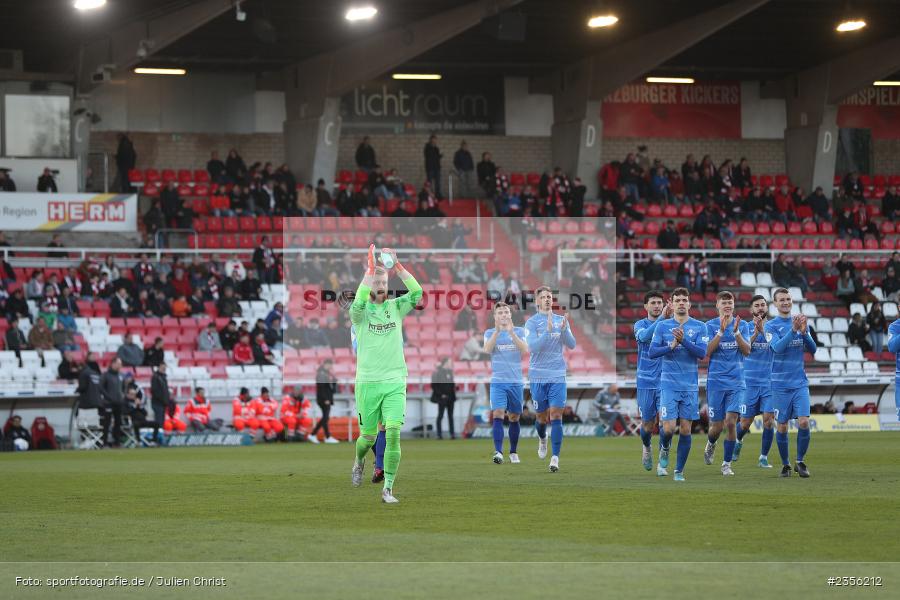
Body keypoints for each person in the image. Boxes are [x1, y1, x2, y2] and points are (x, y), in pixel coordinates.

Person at [349, 245, 423, 503]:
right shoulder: (359, 314)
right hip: (368, 383)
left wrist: (399, 266)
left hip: (394, 380)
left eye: (383, 280)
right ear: (369, 283)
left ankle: (388, 488)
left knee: (392, 432)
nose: (380, 284)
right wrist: (369, 271)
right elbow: (357, 303)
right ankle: (359, 461)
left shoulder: (396, 307)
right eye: (375, 280)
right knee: (367, 438)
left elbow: (417, 292)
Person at [647, 287, 710, 481]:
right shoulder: (662, 326)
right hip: (668, 384)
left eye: (684, 300)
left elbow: (702, 353)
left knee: (685, 429)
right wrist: (670, 346)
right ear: (672, 304)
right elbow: (651, 352)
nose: (681, 303)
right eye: (678, 300)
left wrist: (683, 342)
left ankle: (679, 471)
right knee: (667, 428)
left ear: (689, 304)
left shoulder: (700, 327)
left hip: (689, 386)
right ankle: (665, 448)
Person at [525, 286, 577, 473]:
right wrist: (547, 332)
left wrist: (564, 331)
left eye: (549, 296)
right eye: (544, 297)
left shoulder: (561, 320)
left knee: (556, 415)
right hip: (538, 375)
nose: (547, 299)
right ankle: (542, 438)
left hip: (557, 375)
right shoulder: (531, 323)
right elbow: (533, 347)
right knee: (541, 418)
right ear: (537, 301)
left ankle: (555, 458)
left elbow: (571, 344)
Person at [765, 288, 815, 478]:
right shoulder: (771, 326)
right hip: (779, 385)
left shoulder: (800, 322)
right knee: (782, 426)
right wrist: (793, 331)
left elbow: (813, 349)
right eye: (781, 300)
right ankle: (785, 464)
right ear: (775, 303)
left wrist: (804, 333)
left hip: (800, 383)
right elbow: (776, 348)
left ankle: (800, 462)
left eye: (788, 299)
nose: (785, 302)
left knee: (803, 422)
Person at [702, 291, 751, 476]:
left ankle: (726, 464)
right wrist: (721, 332)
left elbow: (747, 351)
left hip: (737, 382)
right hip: (716, 382)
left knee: (731, 423)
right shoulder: (709, 326)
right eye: (724, 303)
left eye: (730, 302)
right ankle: (711, 443)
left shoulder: (743, 325)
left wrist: (736, 332)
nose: (727, 305)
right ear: (717, 305)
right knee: (717, 427)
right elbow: (706, 351)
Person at [733, 295, 777, 468]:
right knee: (745, 422)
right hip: (749, 382)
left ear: (767, 308)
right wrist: (756, 333)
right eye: (757, 306)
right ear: (751, 310)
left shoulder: (774, 327)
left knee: (768, 419)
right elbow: (743, 350)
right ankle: (738, 440)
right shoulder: (744, 327)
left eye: (763, 305)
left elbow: (777, 348)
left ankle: (763, 457)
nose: (760, 308)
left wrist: (765, 332)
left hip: (769, 382)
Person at [483, 302, 528, 463]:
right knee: (497, 413)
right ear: (495, 316)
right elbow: (487, 350)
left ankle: (513, 452)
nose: (503, 315)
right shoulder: (489, 333)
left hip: (515, 381)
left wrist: (511, 333)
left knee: (514, 417)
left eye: (505, 312)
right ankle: (498, 452)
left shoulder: (520, 331)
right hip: (498, 381)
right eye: (500, 312)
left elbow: (524, 349)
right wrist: (497, 331)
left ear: (510, 315)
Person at [633, 291, 672, 472]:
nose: (657, 306)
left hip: (666, 381)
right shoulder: (639, 325)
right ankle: (647, 447)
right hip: (646, 382)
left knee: (666, 423)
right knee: (648, 425)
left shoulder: (671, 325)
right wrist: (662, 318)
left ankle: (664, 451)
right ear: (646, 306)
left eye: (659, 303)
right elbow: (644, 337)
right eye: (653, 303)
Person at [309, 359, 338, 444]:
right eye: (330, 365)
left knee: (325, 418)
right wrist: (326, 399)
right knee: (325, 417)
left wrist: (334, 383)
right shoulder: (321, 374)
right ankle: (315, 434)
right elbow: (321, 388)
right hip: (324, 399)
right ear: (326, 364)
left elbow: (330, 389)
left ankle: (325, 436)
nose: (330, 367)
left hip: (326, 398)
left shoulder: (325, 373)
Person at [100, 358, 125, 447]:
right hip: (109, 403)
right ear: (113, 364)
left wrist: (122, 396)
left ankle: (117, 442)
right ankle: (105, 442)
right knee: (107, 423)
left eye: (120, 364)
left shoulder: (120, 375)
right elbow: (101, 388)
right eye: (119, 364)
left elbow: (123, 388)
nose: (120, 366)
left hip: (118, 403)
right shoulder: (106, 375)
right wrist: (108, 397)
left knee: (118, 423)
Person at [430, 357, 457, 440]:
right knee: (440, 416)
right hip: (442, 398)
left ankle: (452, 434)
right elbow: (434, 385)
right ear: (445, 363)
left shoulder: (450, 372)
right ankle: (439, 434)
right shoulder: (438, 372)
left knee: (450, 416)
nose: (450, 364)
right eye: (449, 362)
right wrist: (441, 394)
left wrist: (454, 390)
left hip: (450, 398)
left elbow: (451, 384)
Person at [424, 134, 442, 199]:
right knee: (429, 183)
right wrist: (432, 147)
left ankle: (438, 195)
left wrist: (440, 156)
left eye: (435, 140)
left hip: (437, 168)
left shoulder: (436, 148)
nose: (435, 141)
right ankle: (430, 195)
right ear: (430, 140)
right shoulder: (427, 147)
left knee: (438, 182)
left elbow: (436, 157)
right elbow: (429, 156)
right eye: (433, 139)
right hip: (430, 168)